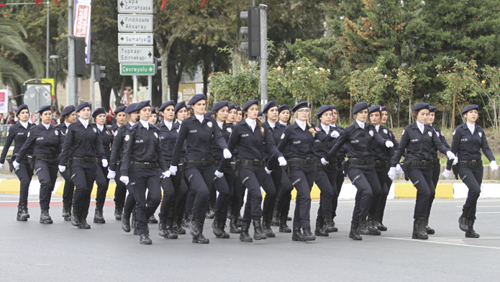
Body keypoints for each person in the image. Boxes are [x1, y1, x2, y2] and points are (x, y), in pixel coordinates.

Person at [325, 102, 393, 240]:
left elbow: (378, 138)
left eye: (365, 112)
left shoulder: (370, 128)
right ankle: (356, 226)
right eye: (361, 112)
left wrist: (385, 142)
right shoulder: (349, 130)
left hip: (369, 166)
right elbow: (337, 145)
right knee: (366, 191)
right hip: (354, 166)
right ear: (355, 114)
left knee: (377, 191)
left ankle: (366, 222)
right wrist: (326, 158)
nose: (364, 115)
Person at [388, 102, 456, 240]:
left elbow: (438, 144)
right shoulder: (409, 130)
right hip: (413, 166)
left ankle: (421, 225)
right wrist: (393, 165)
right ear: (416, 115)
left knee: (430, 192)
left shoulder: (430, 130)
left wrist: (448, 152)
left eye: (427, 114)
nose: (425, 117)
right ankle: (418, 225)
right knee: (424, 190)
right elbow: (401, 149)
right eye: (422, 114)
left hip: (427, 167)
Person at [169, 94, 231, 244]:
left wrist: (224, 148)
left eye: (204, 104)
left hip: (208, 165)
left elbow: (218, 137)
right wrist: (173, 164)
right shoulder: (187, 123)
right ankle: (193, 219)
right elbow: (178, 145)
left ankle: (199, 233)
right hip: (192, 165)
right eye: (199, 105)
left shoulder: (210, 122)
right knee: (202, 191)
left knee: (205, 197)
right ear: (193, 107)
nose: (202, 107)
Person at [228, 100, 286, 242]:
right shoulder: (239, 128)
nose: (255, 112)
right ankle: (257, 226)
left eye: (256, 109)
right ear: (246, 111)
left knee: (271, 191)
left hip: (260, 166)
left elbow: (271, 145)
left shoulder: (262, 127)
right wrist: (224, 166)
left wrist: (279, 156)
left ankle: (244, 230)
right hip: (245, 167)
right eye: (252, 109)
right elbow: (230, 148)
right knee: (255, 193)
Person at [442, 104, 498, 238]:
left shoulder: (479, 130)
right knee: (475, 190)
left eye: (476, 112)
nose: (474, 114)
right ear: (465, 115)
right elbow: (453, 149)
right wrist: (448, 168)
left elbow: (485, 147)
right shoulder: (460, 130)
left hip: (477, 166)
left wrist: (492, 160)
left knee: (475, 195)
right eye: (471, 112)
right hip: (464, 166)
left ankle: (470, 227)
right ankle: (464, 213)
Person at [120, 100, 170, 245]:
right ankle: (143, 233)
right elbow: (127, 153)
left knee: (155, 198)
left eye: (149, 110)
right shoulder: (133, 131)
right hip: (137, 170)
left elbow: (159, 153)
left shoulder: (155, 131)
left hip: (153, 170)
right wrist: (124, 172)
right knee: (140, 202)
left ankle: (140, 219)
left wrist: (164, 170)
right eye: (145, 110)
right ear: (139, 113)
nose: (148, 113)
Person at [58, 102, 107, 230]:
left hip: (90, 163)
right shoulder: (73, 128)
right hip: (77, 162)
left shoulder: (93, 128)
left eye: (88, 110)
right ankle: (75, 212)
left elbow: (98, 144)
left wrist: (103, 157)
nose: (86, 112)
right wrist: (62, 162)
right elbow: (67, 146)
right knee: (81, 187)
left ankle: (83, 218)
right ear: (78, 113)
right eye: (83, 110)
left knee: (88, 191)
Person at [278, 101, 321, 242]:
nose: (305, 113)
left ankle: (296, 231)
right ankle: (306, 228)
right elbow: (280, 148)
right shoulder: (290, 130)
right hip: (296, 166)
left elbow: (322, 139)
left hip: (310, 166)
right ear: (296, 113)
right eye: (302, 110)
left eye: (307, 111)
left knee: (303, 198)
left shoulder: (312, 128)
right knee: (305, 196)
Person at [13, 105, 63, 224]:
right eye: (45, 114)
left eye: (50, 114)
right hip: (40, 161)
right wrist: (17, 160)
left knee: (50, 186)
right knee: (45, 183)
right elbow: (26, 146)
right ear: (40, 116)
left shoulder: (56, 130)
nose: (48, 116)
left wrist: (64, 160)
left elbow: (62, 146)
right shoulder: (35, 130)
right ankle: (44, 212)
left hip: (53, 161)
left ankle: (45, 209)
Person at [157, 100, 189, 239]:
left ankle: (172, 224)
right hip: (162, 166)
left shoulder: (179, 128)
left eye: (172, 110)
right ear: (162, 113)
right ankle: (163, 222)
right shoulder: (158, 129)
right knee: (169, 193)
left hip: (176, 166)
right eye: (168, 110)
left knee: (181, 191)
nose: (170, 112)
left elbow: (184, 147)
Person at [0, 104, 35, 221]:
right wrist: (1, 160)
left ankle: (22, 208)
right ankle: (22, 209)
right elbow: (7, 145)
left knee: (27, 183)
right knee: (24, 181)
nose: (25, 114)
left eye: (27, 112)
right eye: (23, 112)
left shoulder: (33, 127)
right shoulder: (14, 128)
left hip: (30, 160)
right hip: (18, 161)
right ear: (18, 115)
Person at [108, 103, 139, 234]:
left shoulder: (142, 129)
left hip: (139, 166)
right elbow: (115, 150)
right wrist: (112, 167)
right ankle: (124, 212)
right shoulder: (122, 130)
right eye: (135, 112)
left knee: (139, 193)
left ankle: (136, 220)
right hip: (124, 165)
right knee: (129, 191)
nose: (138, 115)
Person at [368, 105, 399, 232]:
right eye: (374, 115)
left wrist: (399, 161)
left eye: (384, 115)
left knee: (383, 192)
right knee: (376, 192)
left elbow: (395, 147)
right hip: (372, 166)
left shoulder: (386, 131)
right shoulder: (368, 131)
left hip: (385, 167)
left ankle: (377, 219)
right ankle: (369, 219)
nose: (383, 117)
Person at [312, 105, 338, 236]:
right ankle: (327, 221)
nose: (329, 117)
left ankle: (319, 225)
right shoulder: (315, 130)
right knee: (328, 190)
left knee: (329, 193)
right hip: (318, 167)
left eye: (331, 114)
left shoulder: (336, 130)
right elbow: (318, 141)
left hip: (332, 167)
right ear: (320, 117)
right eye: (326, 114)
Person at [425, 105, 450, 234]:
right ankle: (421, 221)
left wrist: (450, 154)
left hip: (434, 165)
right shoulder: (418, 130)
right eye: (428, 114)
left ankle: (425, 222)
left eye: (433, 115)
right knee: (427, 192)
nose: (430, 117)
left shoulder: (437, 131)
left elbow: (444, 145)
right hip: (423, 165)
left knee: (432, 193)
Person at [209, 101, 233, 238]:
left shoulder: (227, 129)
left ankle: (221, 226)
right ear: (215, 112)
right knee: (223, 191)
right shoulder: (210, 128)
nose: (225, 113)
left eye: (227, 111)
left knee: (228, 194)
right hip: (214, 164)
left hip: (227, 165)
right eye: (222, 111)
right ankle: (217, 223)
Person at [262, 101, 286, 236]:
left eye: (276, 110)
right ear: (266, 113)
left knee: (274, 193)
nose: (275, 113)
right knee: (269, 192)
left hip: (276, 165)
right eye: (272, 110)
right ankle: (262, 222)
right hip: (264, 165)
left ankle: (267, 221)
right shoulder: (262, 127)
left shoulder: (281, 128)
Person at [273, 104, 294, 232]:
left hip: (290, 162)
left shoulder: (292, 128)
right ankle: (275, 210)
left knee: (288, 193)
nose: (286, 115)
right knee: (285, 187)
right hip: (278, 162)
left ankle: (283, 221)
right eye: (283, 113)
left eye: (288, 113)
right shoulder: (275, 128)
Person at [92, 108, 113, 224]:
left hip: (106, 161)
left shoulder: (108, 131)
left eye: (104, 116)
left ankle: (98, 211)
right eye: (99, 116)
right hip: (94, 160)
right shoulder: (92, 130)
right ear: (95, 118)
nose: (102, 118)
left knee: (105, 186)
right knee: (101, 183)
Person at [57, 105, 77, 221]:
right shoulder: (59, 129)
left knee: (75, 183)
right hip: (63, 161)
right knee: (69, 180)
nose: (74, 117)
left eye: (75, 114)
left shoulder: (77, 128)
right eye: (72, 115)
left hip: (74, 160)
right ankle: (66, 207)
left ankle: (74, 208)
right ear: (66, 116)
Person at [329, 105, 346, 231]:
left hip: (339, 164)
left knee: (336, 193)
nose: (333, 116)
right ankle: (326, 218)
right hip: (326, 165)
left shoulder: (341, 131)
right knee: (330, 191)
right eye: (330, 113)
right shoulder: (320, 130)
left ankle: (331, 216)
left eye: (335, 113)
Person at [110, 105, 127, 220]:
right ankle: (118, 207)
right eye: (119, 115)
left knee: (127, 186)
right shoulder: (111, 130)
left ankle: (125, 207)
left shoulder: (128, 128)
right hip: (117, 161)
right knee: (120, 185)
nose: (121, 118)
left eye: (123, 115)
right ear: (115, 117)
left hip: (127, 161)